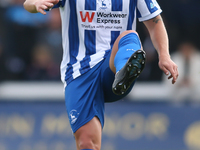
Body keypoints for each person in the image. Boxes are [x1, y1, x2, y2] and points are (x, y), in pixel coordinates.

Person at [23, 0, 178, 150]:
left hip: (112, 65)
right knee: (86, 143)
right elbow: (28, 4)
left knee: (130, 36)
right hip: (80, 71)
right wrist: (35, 4)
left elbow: (154, 21)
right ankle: (125, 71)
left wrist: (164, 55)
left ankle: (124, 71)